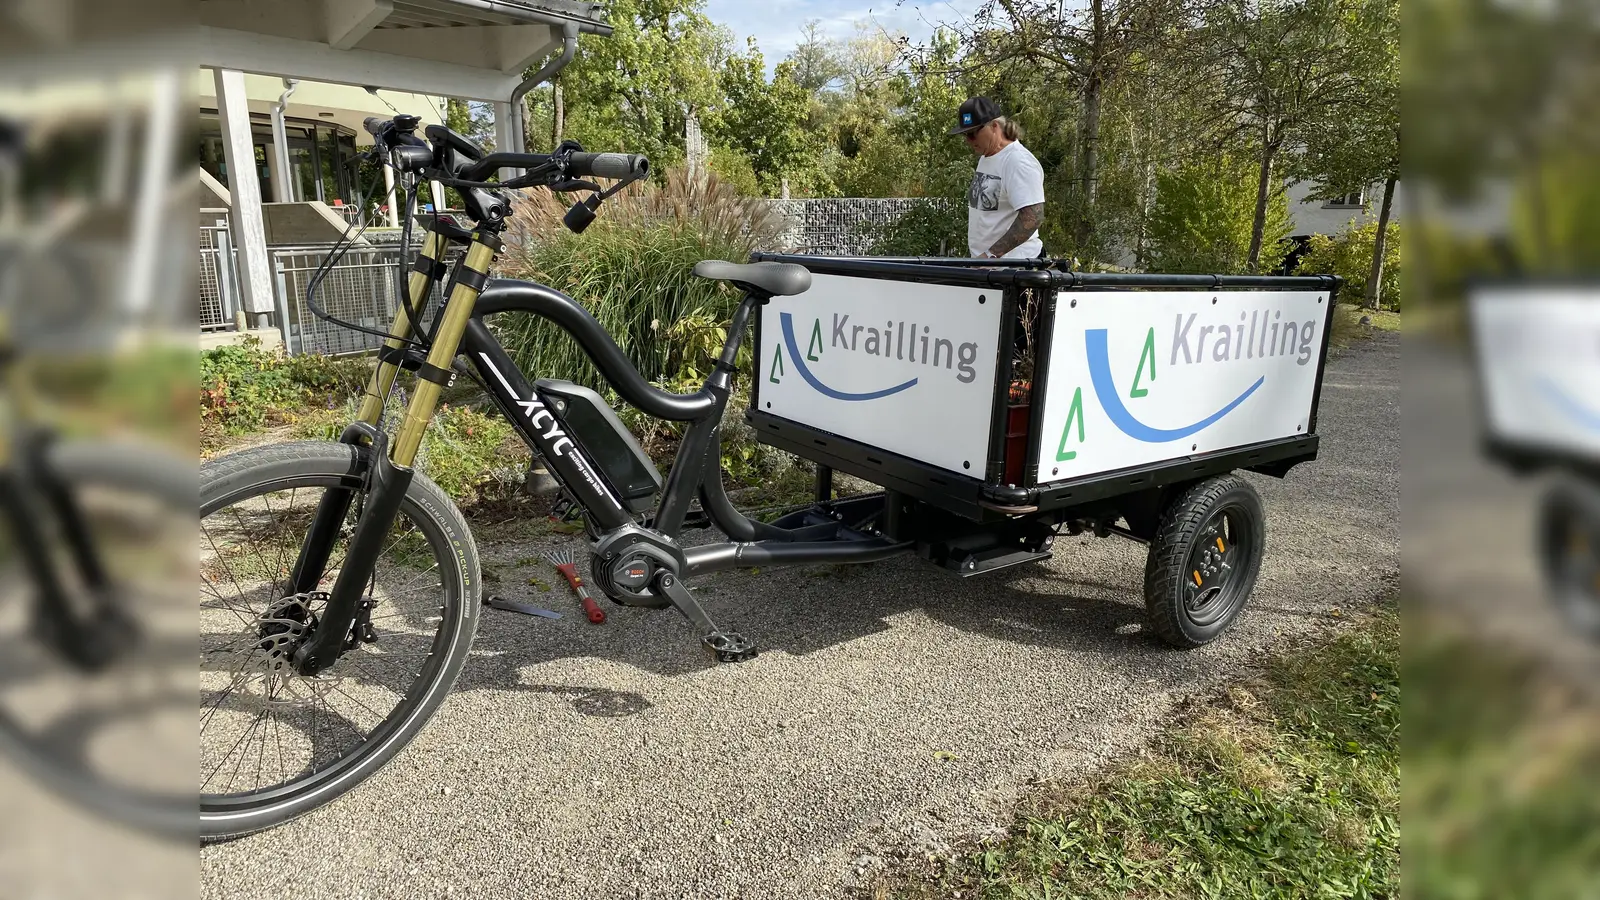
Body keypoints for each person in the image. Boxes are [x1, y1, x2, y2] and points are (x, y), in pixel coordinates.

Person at [948, 97, 1046, 260]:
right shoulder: (987, 157)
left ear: (994, 126)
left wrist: (991, 255)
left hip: (1016, 267)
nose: (968, 141)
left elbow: (1033, 217)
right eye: (965, 135)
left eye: (972, 134)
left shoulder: (1018, 162)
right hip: (989, 267)